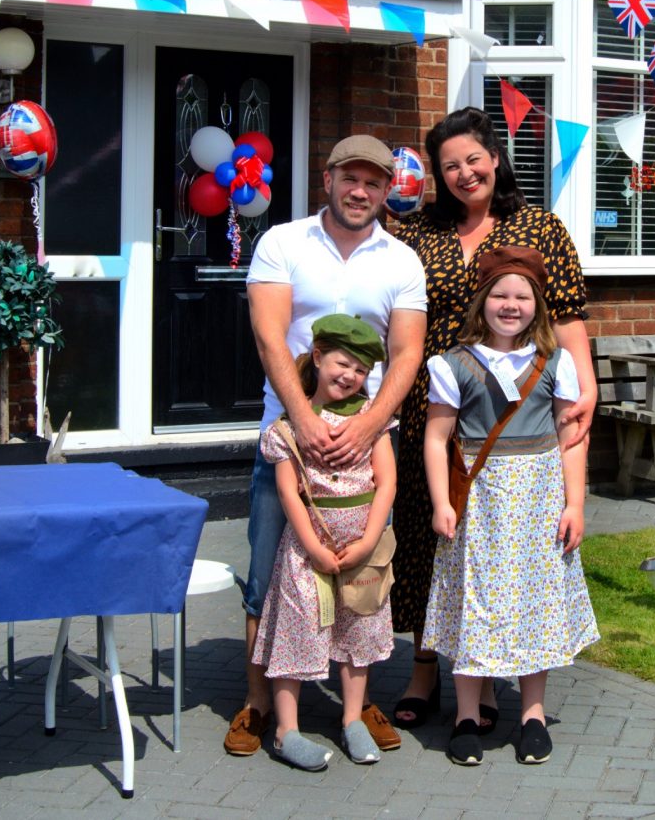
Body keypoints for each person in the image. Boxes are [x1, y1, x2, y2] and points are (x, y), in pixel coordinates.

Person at [386, 108, 595, 731]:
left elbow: (569, 315)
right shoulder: (416, 231)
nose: (463, 172)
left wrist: (586, 390)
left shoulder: (540, 227)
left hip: (521, 409)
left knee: (509, 547)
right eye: (449, 165)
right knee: (436, 541)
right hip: (438, 405)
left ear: (495, 158)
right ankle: (426, 669)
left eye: (472, 159)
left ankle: (497, 669)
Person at [227, 134, 426, 758]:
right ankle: (260, 703)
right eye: (350, 178)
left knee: (362, 580)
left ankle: (354, 705)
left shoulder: (401, 260)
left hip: (366, 453)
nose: (360, 191)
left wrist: (368, 428)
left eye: (374, 181)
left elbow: (407, 352)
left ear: (387, 189)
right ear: (329, 179)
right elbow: (268, 335)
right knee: (270, 577)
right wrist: (304, 419)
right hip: (289, 441)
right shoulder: (281, 243)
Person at [422, 246, 598, 766]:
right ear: (482, 301)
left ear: (538, 305)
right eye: (500, 294)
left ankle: (533, 715)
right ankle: (466, 716)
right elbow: (437, 438)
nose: (510, 304)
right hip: (479, 502)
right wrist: (440, 502)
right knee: (473, 602)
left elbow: (571, 436)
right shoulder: (453, 363)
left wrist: (576, 504)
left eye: (522, 296)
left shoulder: (555, 363)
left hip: (538, 501)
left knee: (533, 603)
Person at [250, 314, 398, 771]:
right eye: (342, 362)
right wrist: (312, 547)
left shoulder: (373, 424)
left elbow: (387, 483)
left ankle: (353, 718)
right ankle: (286, 729)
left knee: (359, 628)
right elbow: (288, 490)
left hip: (362, 550)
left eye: (360, 369)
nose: (349, 375)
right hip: (304, 554)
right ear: (317, 357)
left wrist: (370, 539)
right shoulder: (291, 426)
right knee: (299, 632)